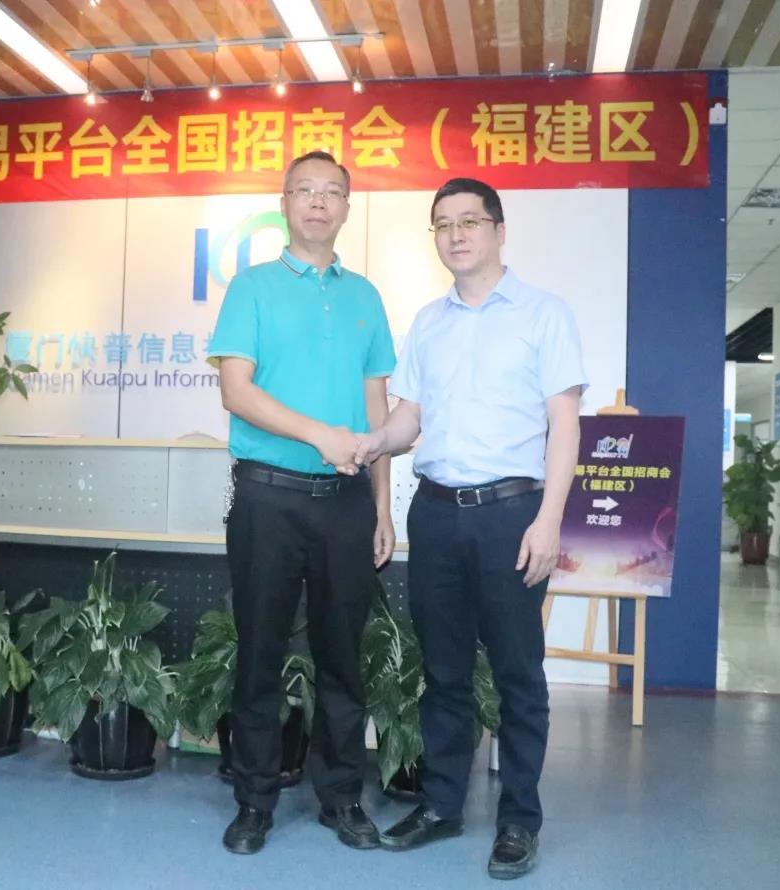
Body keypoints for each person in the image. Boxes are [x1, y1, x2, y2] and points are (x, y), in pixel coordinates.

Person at [352, 178, 586, 879]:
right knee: (444, 671)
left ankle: (518, 821)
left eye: (470, 222)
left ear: (499, 231)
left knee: (518, 675)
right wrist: (372, 442)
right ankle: (442, 805)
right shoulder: (428, 323)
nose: (456, 235)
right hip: (436, 514)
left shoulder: (545, 314)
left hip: (513, 515)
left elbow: (565, 426)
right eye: (443, 224)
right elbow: (409, 419)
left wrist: (549, 520)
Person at [207, 150, 397, 855]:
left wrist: (382, 506)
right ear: (284, 203)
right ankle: (254, 802)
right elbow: (236, 391)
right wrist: (318, 433)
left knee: (342, 657)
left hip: (347, 503)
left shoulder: (365, 297)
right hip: (268, 499)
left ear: (347, 207)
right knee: (259, 653)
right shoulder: (251, 287)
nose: (319, 202)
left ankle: (341, 797)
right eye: (305, 190)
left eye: (332, 192)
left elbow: (376, 409)